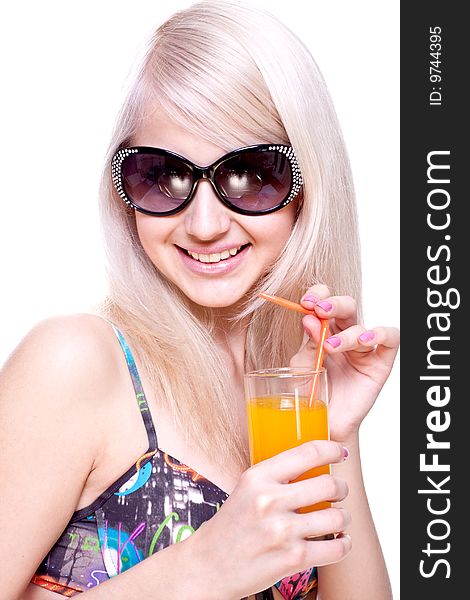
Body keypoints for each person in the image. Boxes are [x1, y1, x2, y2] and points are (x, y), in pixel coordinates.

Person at [0, 1, 399, 598]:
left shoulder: (283, 391)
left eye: (250, 175)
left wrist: (336, 437)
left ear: (308, 185)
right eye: (162, 175)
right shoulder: (76, 362)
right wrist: (202, 567)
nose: (205, 224)